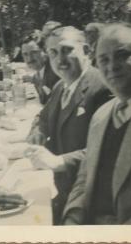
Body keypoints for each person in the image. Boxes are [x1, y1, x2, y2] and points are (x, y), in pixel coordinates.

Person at [63, 23, 131, 225]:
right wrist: (72, 218)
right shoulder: (101, 116)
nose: (112, 66)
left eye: (123, 55)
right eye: (103, 59)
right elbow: (85, 178)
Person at [25, 26, 111, 224]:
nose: (59, 60)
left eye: (66, 50)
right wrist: (38, 131)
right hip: (60, 191)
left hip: (90, 201)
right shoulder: (61, 85)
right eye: (53, 52)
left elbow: (109, 150)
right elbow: (42, 116)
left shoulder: (102, 87)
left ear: (87, 51)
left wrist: (60, 162)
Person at [21, 35, 59, 104]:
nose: (29, 58)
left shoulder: (55, 72)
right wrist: (32, 79)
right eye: (25, 54)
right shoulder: (40, 70)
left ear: (44, 51)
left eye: (34, 52)